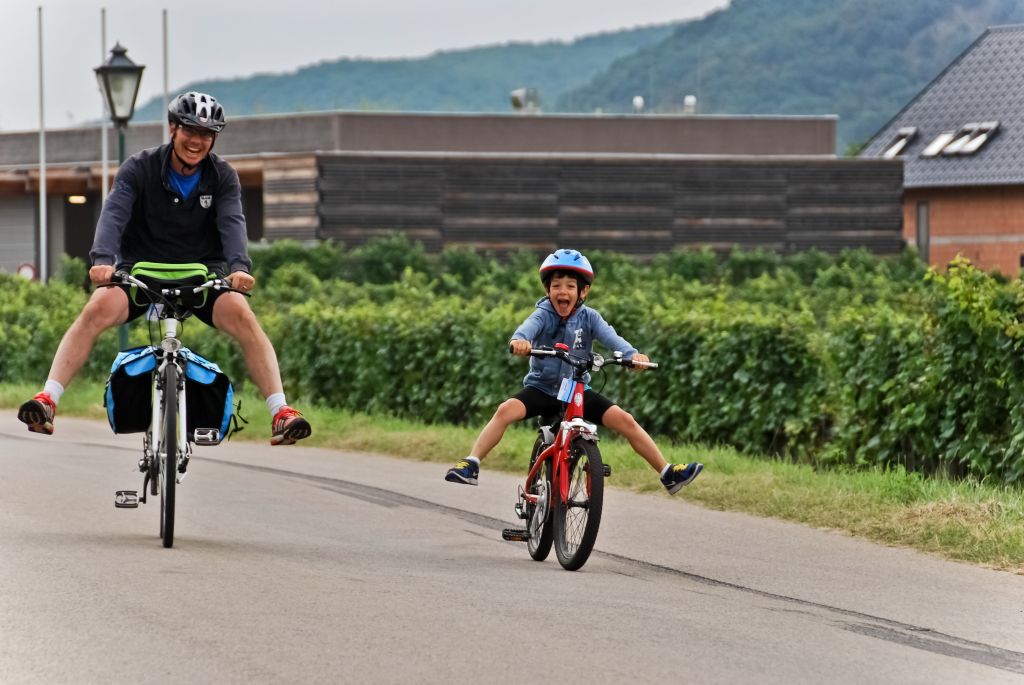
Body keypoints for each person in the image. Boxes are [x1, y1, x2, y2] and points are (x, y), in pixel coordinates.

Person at [17, 91, 311, 446]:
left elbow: (232, 222)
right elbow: (114, 213)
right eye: (190, 130)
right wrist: (103, 260)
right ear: (173, 128)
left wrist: (239, 267)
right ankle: (48, 400)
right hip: (141, 271)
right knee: (95, 310)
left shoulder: (222, 176)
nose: (197, 141)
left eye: (207, 134)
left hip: (202, 274)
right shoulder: (138, 168)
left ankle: (281, 412)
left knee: (244, 317)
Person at [445, 248, 702, 494]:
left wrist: (632, 356)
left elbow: (613, 339)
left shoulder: (590, 318)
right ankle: (472, 463)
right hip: (541, 389)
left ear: (583, 291)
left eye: (570, 286)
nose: (563, 291)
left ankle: (667, 472)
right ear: (548, 290)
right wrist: (519, 341)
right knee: (505, 410)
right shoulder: (543, 314)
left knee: (625, 420)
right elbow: (526, 330)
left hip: (576, 390)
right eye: (556, 286)